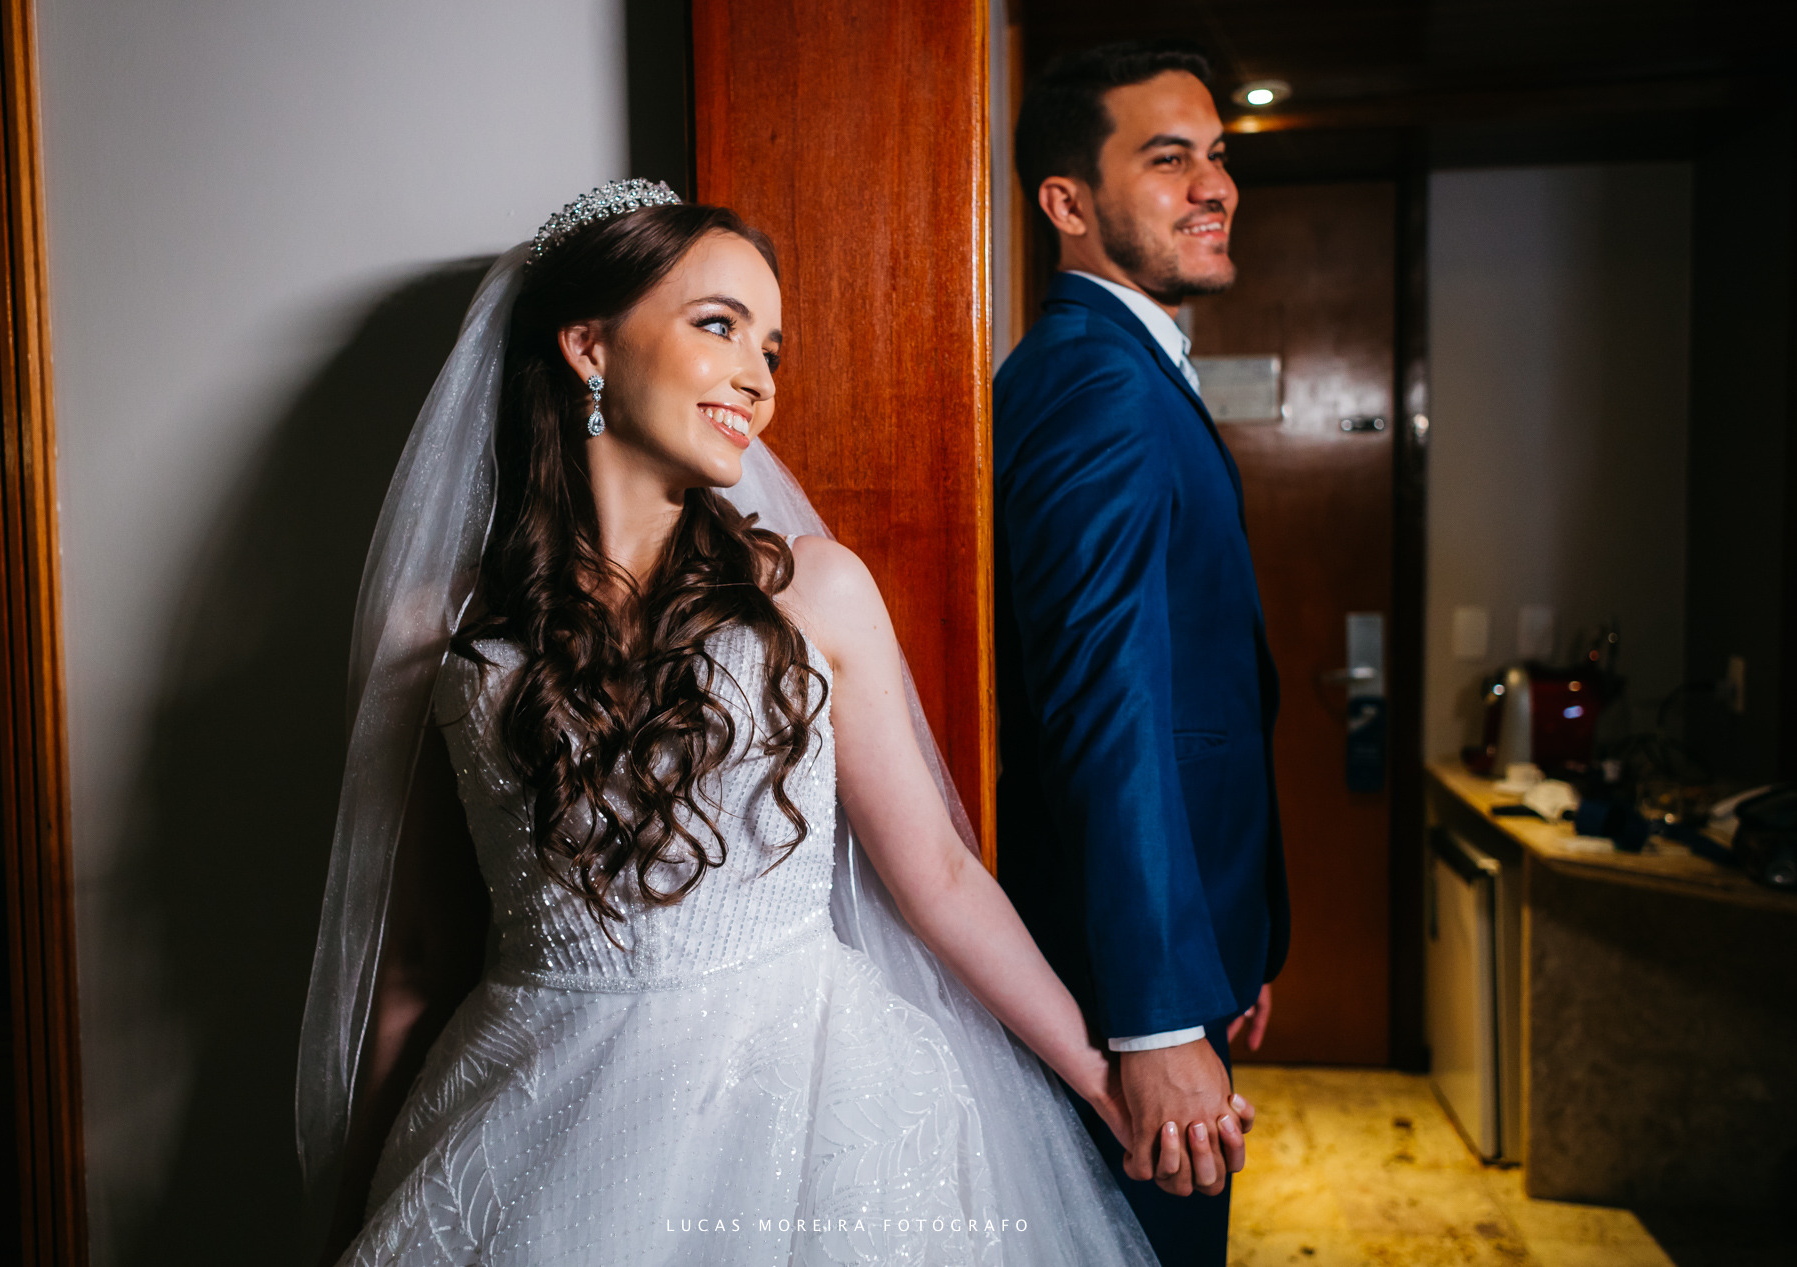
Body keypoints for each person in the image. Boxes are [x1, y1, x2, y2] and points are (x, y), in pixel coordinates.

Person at [296, 181, 1248, 1266]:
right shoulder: (440, 634)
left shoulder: (816, 592)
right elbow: (420, 956)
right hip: (529, 1106)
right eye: (720, 326)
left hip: (805, 1108)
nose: (759, 376)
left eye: (772, 348)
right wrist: (355, 1212)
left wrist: (1105, 1077)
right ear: (587, 345)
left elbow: (939, 876)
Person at [992, 42, 1292, 1266]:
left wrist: (1233, 937)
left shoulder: (1128, 368)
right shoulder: (1093, 386)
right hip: (1117, 987)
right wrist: (1158, 1015)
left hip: (1177, 942)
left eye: (1216, 156)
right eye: (1169, 160)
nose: (1215, 186)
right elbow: (1106, 706)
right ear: (1066, 202)